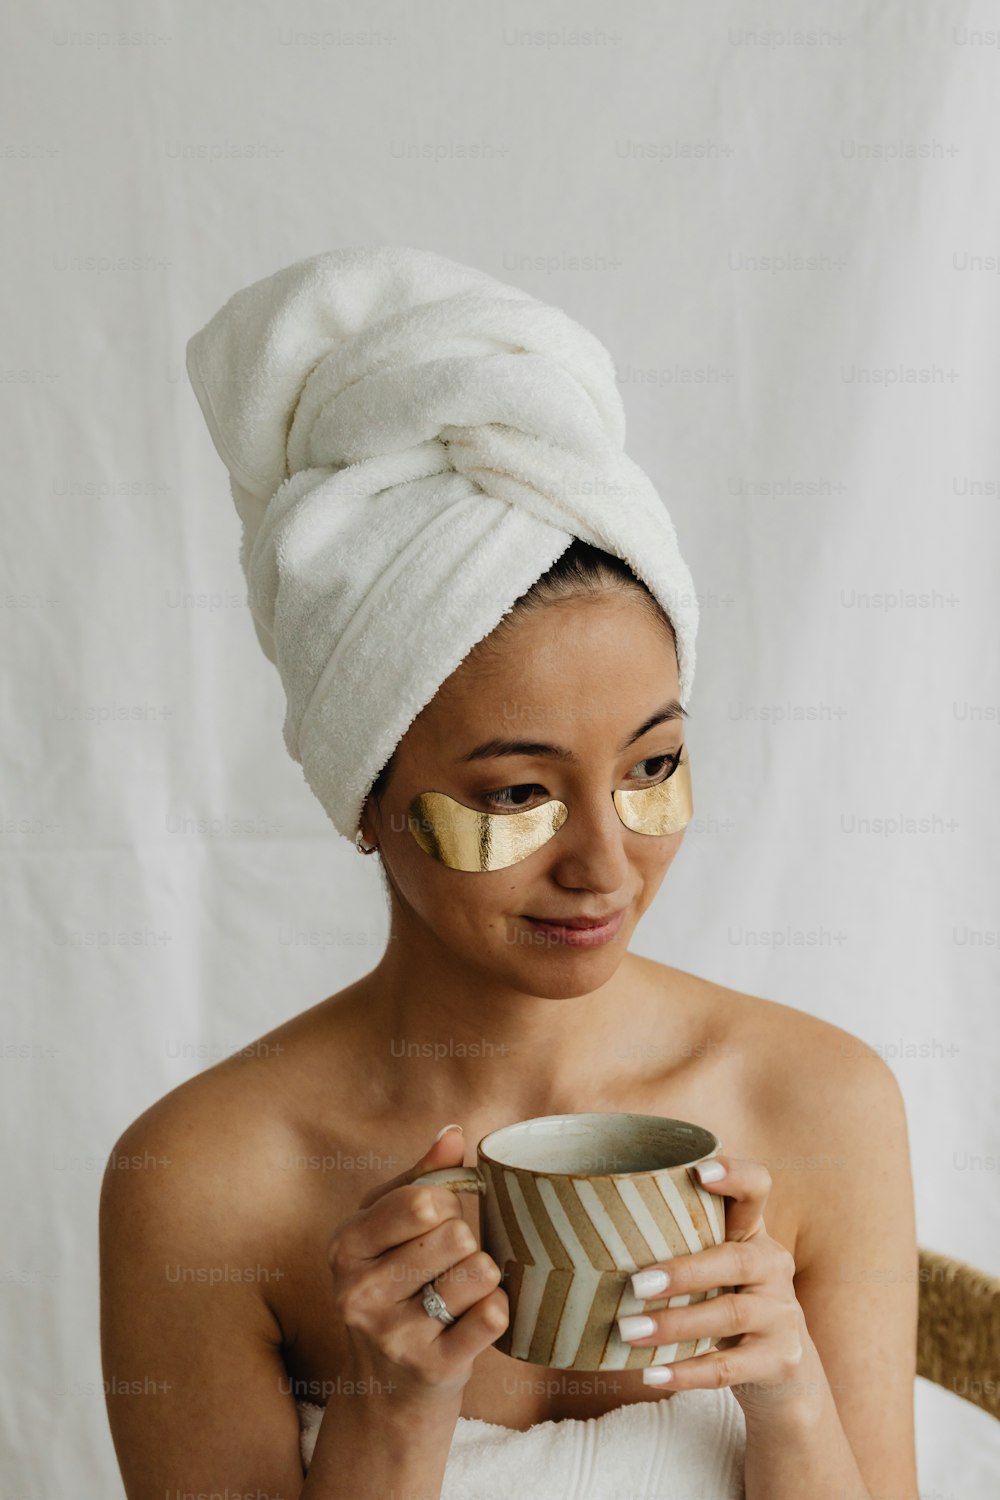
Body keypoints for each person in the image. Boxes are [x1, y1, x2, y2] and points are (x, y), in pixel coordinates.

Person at [100, 250, 920, 1500]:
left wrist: (790, 1400)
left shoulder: (822, 1102)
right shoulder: (202, 1184)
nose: (606, 862)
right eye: (515, 794)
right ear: (367, 797)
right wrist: (392, 1415)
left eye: (651, 767)